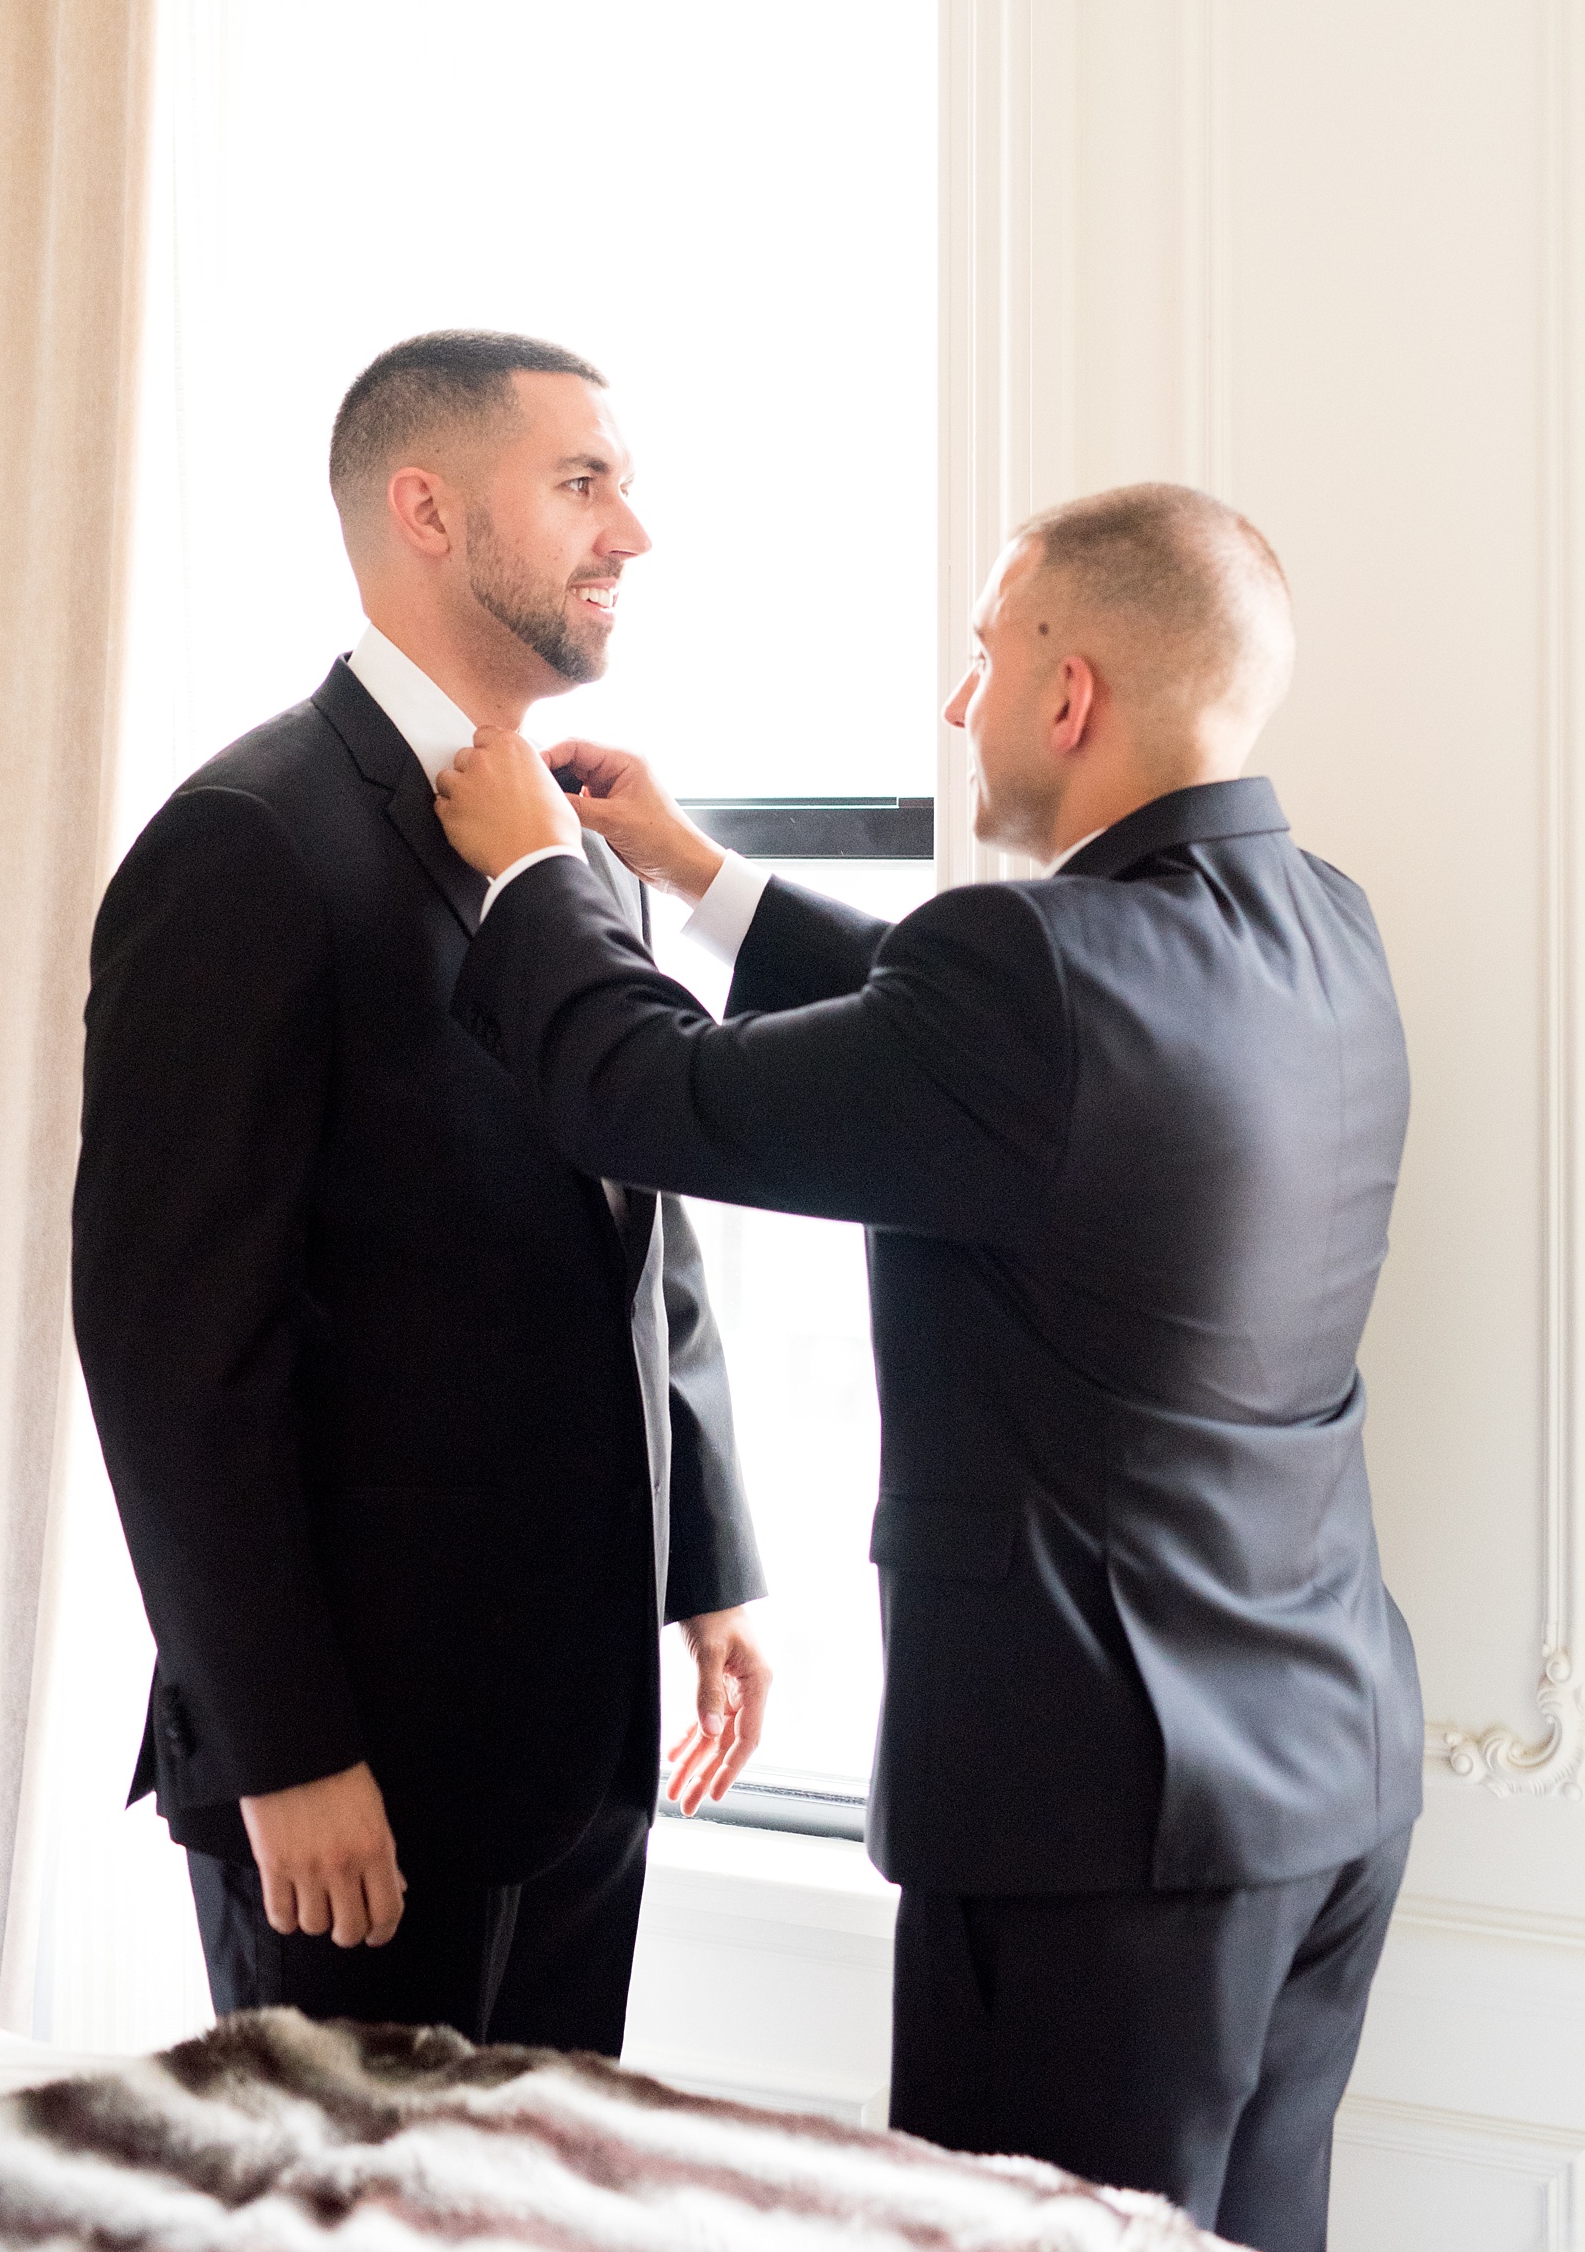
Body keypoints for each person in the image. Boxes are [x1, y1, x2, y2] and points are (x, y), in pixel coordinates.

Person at [432, 482, 1423, 2252]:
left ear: (1072, 695)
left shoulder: (1038, 972)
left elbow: (639, 1096)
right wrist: (701, 874)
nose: (959, 702)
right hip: (1325, 1776)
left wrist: (529, 869)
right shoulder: (1320, 926)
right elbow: (978, 1042)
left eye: (984, 655)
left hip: (1094, 1826)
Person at [72, 329, 768, 2052]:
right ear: (429, 511)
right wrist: (283, 1744)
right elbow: (171, 1344)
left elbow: (638, 1224)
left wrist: (713, 1562)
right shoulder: (248, 839)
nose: (635, 531)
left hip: (583, 1744)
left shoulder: (569, 838)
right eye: (585, 481)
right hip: (352, 1782)